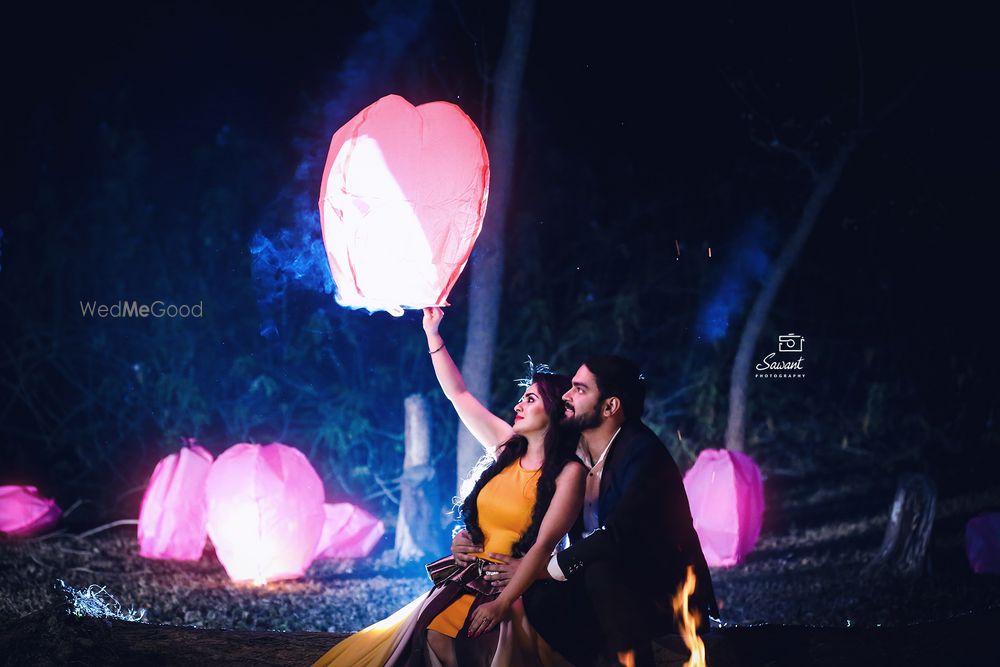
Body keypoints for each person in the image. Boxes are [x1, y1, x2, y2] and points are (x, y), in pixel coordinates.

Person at [312, 307, 586, 667]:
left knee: (474, 647)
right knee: (431, 636)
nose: (518, 404)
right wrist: (432, 335)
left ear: (556, 411)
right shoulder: (506, 447)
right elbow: (458, 395)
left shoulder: (570, 472)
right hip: (466, 578)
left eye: (531, 399)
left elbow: (548, 544)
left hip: (519, 591)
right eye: (523, 397)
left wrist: (504, 601)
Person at [454, 355, 719, 667]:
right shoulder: (572, 450)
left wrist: (538, 567)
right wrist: (471, 536)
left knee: (592, 570)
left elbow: (617, 536)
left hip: (663, 595)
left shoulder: (644, 455)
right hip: (599, 583)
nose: (567, 395)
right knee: (540, 595)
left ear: (609, 407)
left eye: (579, 390)